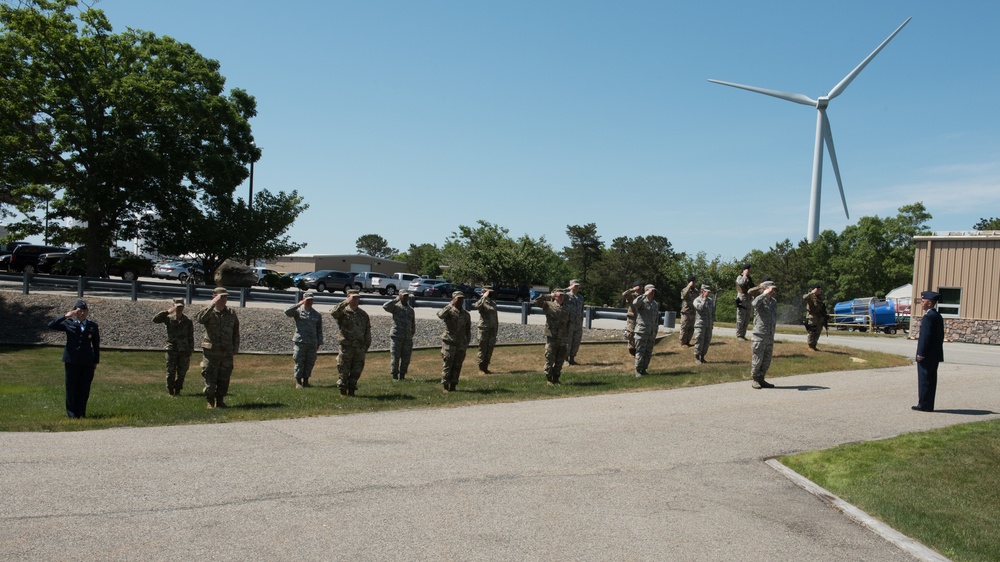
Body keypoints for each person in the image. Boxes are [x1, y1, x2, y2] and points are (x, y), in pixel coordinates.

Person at [47, 299, 100, 418]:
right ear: (75, 311)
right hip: (71, 360)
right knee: (71, 388)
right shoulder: (69, 323)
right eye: (80, 310)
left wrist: (96, 361)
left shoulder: (92, 326)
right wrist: (66, 315)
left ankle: (81, 413)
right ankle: (72, 414)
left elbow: (96, 345)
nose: (82, 313)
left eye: (85, 311)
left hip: (87, 361)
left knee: (84, 388)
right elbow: (51, 325)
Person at [196, 287, 240, 408]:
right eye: (222, 296)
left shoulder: (231, 313)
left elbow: (236, 331)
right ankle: (210, 400)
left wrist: (235, 347)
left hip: (226, 351)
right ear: (214, 297)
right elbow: (200, 319)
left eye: (226, 296)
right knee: (210, 376)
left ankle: (220, 400)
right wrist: (212, 304)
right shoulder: (208, 312)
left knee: (224, 377)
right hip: (211, 351)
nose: (224, 299)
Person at [331, 290, 371, 396]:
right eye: (353, 297)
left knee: (357, 370)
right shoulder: (343, 312)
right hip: (346, 346)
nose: (356, 300)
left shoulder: (363, 314)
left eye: (357, 298)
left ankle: (352, 390)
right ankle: (343, 390)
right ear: (348, 298)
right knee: (343, 368)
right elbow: (333, 313)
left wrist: (367, 345)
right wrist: (345, 302)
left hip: (359, 347)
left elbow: (367, 330)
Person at [152, 297, 194, 396]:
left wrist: (191, 349)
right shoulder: (168, 319)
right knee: (170, 371)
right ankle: (170, 390)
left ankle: (178, 389)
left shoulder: (187, 321)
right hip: (172, 349)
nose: (179, 309)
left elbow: (190, 336)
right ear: (174, 306)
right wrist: (167, 312)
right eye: (177, 307)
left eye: (181, 307)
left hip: (184, 349)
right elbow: (155, 320)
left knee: (182, 372)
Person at [913, 290, 945, 412]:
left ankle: (924, 404)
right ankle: (928, 403)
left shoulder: (928, 317)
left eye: (923, 301)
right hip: (934, 354)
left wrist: (920, 353)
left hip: (926, 355)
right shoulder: (937, 316)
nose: (921, 303)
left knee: (924, 380)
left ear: (930, 303)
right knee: (931, 380)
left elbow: (925, 337)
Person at [285, 291, 323, 388]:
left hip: (312, 342)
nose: (310, 302)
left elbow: (319, 329)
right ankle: (298, 381)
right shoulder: (298, 312)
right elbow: (287, 312)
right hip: (301, 341)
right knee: (299, 361)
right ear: (303, 299)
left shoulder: (316, 314)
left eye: (311, 300)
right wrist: (298, 304)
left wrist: (319, 342)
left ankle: (306, 381)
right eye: (308, 300)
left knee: (310, 362)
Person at [534, 290, 571, 384]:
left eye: (562, 295)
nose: (561, 297)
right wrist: (550, 295)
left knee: (560, 358)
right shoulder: (548, 305)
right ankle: (549, 378)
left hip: (562, 336)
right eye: (559, 295)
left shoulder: (567, 307)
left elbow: (568, 321)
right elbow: (536, 301)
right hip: (552, 335)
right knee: (550, 357)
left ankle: (556, 378)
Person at [437, 291, 471, 392]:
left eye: (462, 299)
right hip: (449, 342)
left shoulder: (466, 314)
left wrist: (466, 343)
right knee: (448, 363)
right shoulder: (449, 311)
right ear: (454, 299)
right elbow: (440, 315)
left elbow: (467, 330)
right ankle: (445, 385)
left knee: (457, 365)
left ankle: (453, 385)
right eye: (458, 298)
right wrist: (450, 305)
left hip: (461, 343)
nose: (461, 301)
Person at [382, 290, 416, 381]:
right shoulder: (395, 307)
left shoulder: (410, 309)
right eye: (404, 296)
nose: (406, 298)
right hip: (397, 336)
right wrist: (396, 300)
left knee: (406, 357)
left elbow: (413, 324)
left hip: (407, 337)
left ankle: (402, 375)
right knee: (395, 356)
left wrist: (411, 334)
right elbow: (385, 306)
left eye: (407, 296)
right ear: (400, 296)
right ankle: (395, 375)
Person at [750, 280, 778, 389]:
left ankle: (762, 378)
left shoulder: (773, 301)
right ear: (765, 288)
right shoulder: (759, 299)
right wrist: (764, 294)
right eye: (771, 289)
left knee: (767, 359)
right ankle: (755, 379)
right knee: (758, 358)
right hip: (759, 334)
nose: (773, 291)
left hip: (770, 334)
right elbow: (754, 304)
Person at [633, 285, 660, 377]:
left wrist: (655, 330)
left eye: (654, 292)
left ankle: (644, 369)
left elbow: (656, 319)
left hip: (651, 332)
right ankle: (638, 370)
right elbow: (635, 303)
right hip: (642, 331)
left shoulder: (655, 304)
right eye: (651, 291)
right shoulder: (642, 301)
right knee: (640, 351)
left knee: (648, 352)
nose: (653, 293)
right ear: (646, 291)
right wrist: (644, 294)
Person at [474, 286, 498, 374]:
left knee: (490, 348)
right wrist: (484, 296)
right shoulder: (482, 302)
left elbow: (495, 317)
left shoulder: (493, 303)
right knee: (483, 348)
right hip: (484, 329)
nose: (490, 294)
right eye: (489, 292)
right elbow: (476, 306)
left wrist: (496, 329)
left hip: (492, 329)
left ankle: (486, 366)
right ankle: (481, 367)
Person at [692, 285, 715, 364]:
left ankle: (703, 357)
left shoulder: (710, 300)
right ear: (702, 291)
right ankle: (697, 357)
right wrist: (704, 299)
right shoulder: (697, 300)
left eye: (709, 292)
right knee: (699, 341)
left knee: (706, 341)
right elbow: (700, 308)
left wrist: (712, 323)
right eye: (706, 292)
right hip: (700, 324)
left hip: (708, 324)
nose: (708, 293)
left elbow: (712, 312)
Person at [802, 284, 828, 351]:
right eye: (818, 289)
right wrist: (811, 293)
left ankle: (814, 345)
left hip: (819, 317)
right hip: (812, 316)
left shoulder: (819, 297)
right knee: (812, 330)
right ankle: (810, 345)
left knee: (818, 331)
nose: (820, 291)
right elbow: (804, 297)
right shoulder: (810, 296)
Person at [565, 279, 585, 365]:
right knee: (567, 341)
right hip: (568, 323)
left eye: (577, 286)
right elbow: (556, 293)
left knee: (576, 341)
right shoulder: (566, 296)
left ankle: (572, 358)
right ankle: (565, 359)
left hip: (578, 323)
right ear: (571, 286)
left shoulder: (580, 297)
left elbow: (581, 309)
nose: (577, 287)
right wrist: (568, 288)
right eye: (575, 286)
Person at [621, 281, 643, 356]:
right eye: (639, 286)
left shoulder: (642, 296)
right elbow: (624, 294)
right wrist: (632, 290)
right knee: (631, 333)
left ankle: (637, 349)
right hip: (632, 317)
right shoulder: (632, 295)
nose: (640, 288)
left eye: (641, 286)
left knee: (639, 334)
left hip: (640, 318)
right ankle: (631, 348)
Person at [735, 264, 754, 340]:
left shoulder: (750, 278)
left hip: (748, 299)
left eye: (749, 270)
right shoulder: (739, 277)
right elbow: (741, 284)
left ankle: (743, 334)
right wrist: (745, 276)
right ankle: (739, 335)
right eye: (747, 270)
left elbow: (752, 287)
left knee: (746, 318)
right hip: (741, 299)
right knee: (740, 318)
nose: (749, 271)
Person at [679, 275, 698, 347]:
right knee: (684, 327)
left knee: (691, 328)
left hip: (693, 312)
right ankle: (683, 343)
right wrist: (688, 286)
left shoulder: (696, 291)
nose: (695, 283)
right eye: (694, 282)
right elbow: (683, 296)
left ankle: (687, 342)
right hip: (686, 312)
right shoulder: (685, 289)